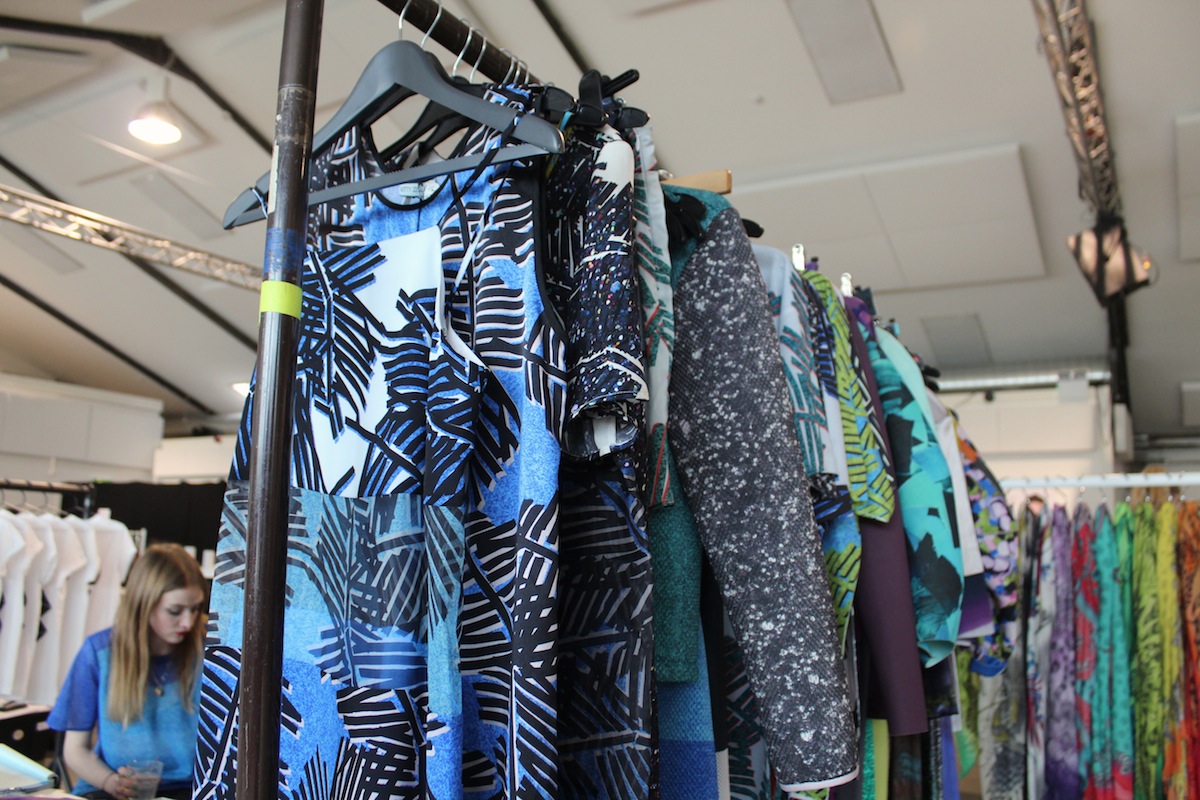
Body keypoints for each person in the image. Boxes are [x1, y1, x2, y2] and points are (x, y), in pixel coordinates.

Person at [48, 543, 206, 800]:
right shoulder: (98, 653)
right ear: (143, 604)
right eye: (174, 611)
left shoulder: (209, 651)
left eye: (196, 608)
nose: (188, 622)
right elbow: (75, 750)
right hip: (113, 787)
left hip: (191, 790)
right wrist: (111, 782)